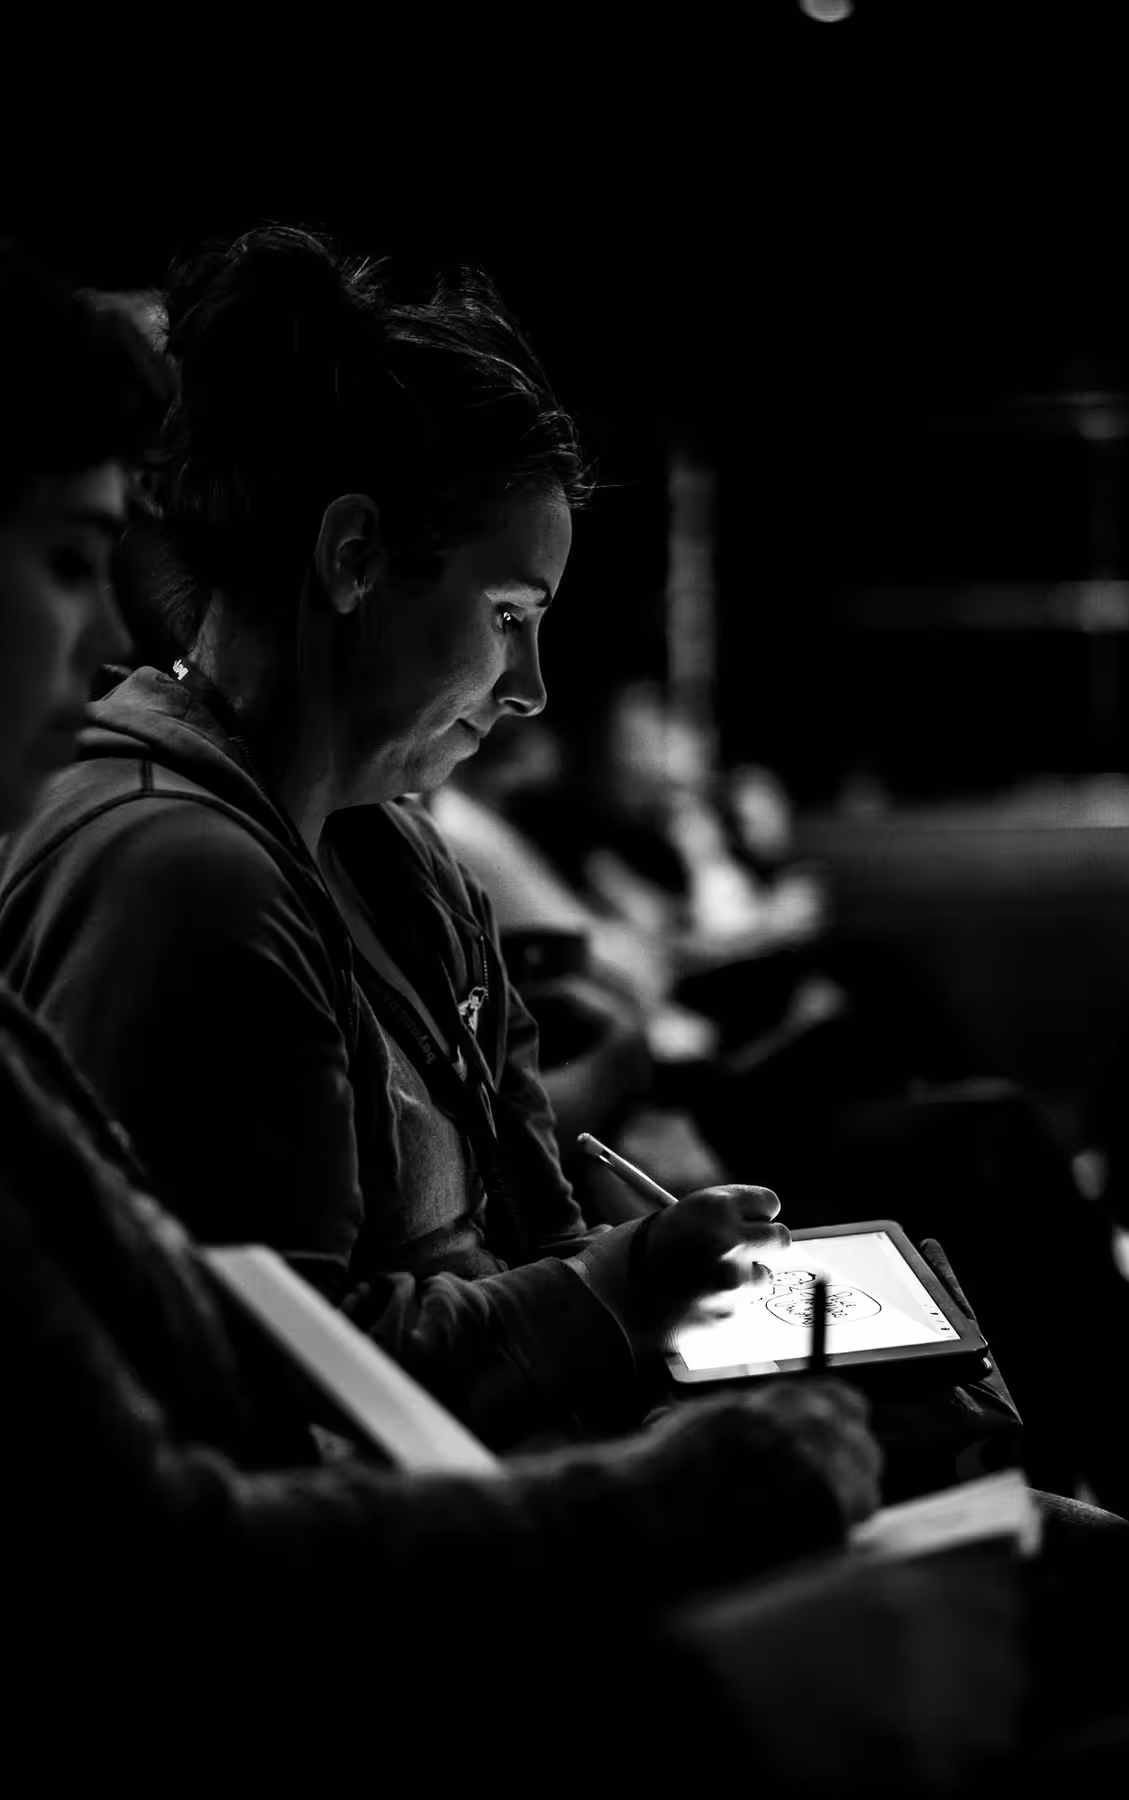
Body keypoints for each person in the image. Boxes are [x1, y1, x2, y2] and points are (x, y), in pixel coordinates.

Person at [0, 227, 794, 1457]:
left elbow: (535, 1234)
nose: (530, 686)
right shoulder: (177, 875)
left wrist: (639, 1281)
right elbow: (271, 1397)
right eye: (509, 616)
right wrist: (616, 1301)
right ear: (355, 556)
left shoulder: (406, 861)